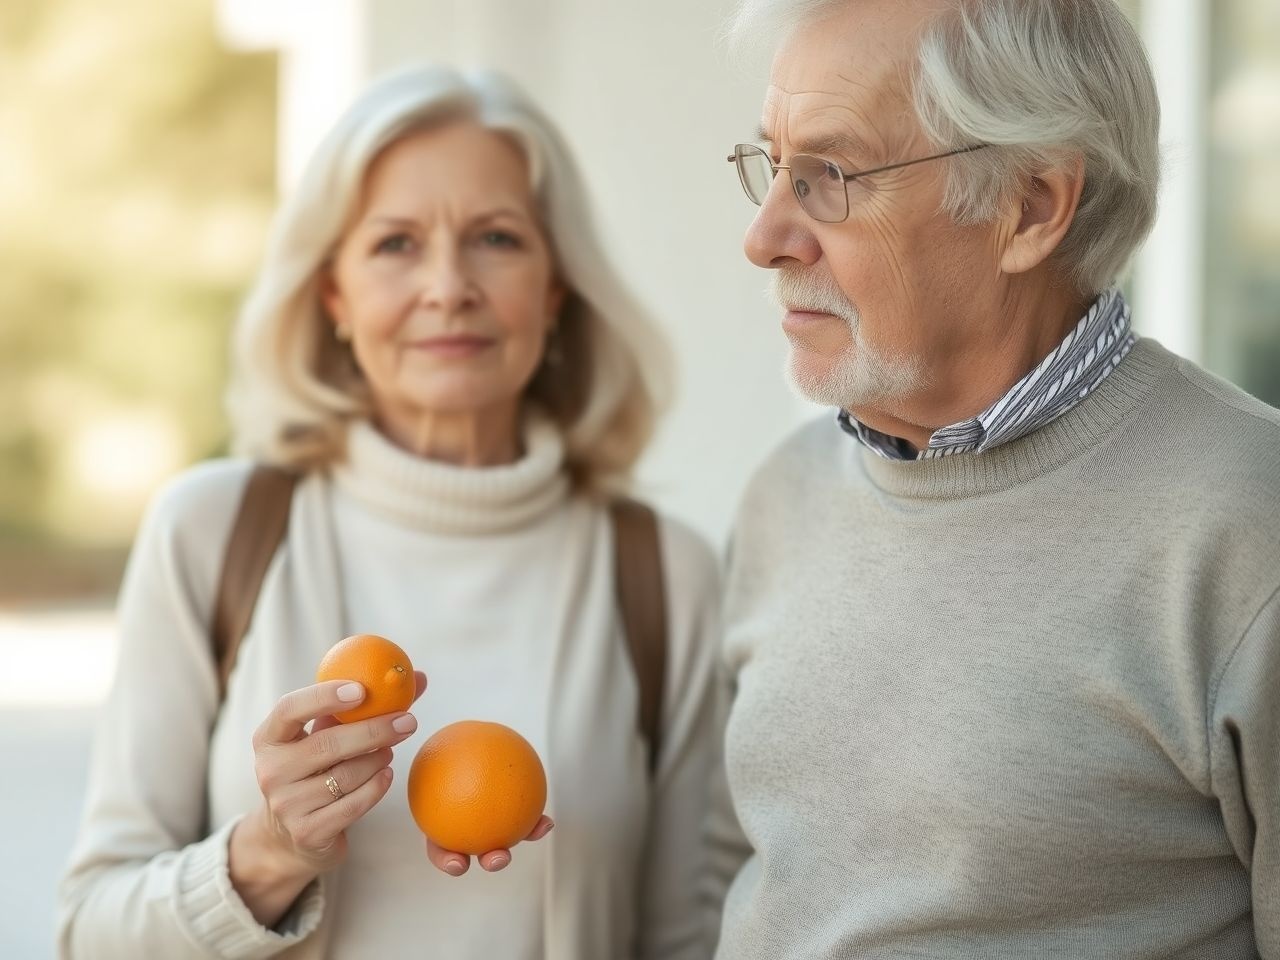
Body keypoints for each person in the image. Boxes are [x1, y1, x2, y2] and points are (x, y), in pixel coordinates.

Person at [58, 65, 720, 960]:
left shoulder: (665, 576)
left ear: (556, 288)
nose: (448, 286)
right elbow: (88, 933)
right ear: (333, 293)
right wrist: (268, 853)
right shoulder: (212, 533)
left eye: (495, 237)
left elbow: (691, 937)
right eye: (396, 244)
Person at [709, 0, 1280, 957]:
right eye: (773, 166)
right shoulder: (785, 493)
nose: (765, 237)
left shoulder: (1247, 525)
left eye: (830, 175)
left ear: (1031, 206)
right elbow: (728, 871)